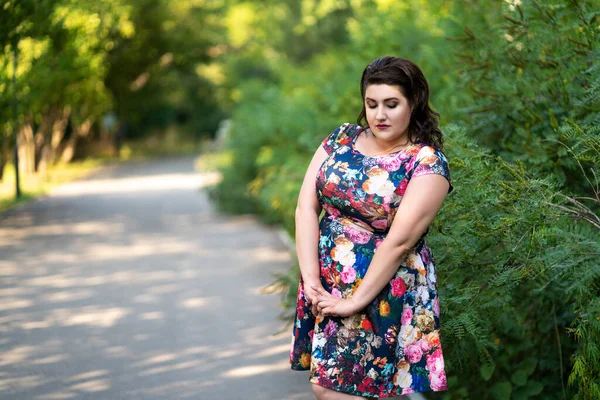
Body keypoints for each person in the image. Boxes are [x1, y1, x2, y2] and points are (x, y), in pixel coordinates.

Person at [289, 56, 453, 399]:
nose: (380, 115)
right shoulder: (341, 139)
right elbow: (306, 206)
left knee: (334, 389)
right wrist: (312, 281)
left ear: (414, 104)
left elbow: (399, 241)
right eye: (372, 104)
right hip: (328, 283)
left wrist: (354, 302)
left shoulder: (426, 162)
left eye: (392, 104)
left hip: (383, 289)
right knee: (345, 387)